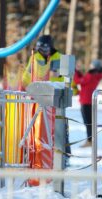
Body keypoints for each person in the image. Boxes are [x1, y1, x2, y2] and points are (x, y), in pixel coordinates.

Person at [21, 35, 69, 186]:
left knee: (58, 130)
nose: (43, 51)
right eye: (40, 48)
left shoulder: (58, 58)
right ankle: (36, 162)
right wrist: (31, 87)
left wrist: (54, 83)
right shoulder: (34, 57)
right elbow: (26, 77)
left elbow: (65, 79)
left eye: (45, 48)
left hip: (54, 99)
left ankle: (62, 158)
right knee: (39, 133)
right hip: (38, 98)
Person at [73, 60, 102, 147]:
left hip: (86, 101)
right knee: (90, 122)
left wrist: (75, 72)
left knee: (88, 122)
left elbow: (78, 81)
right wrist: (78, 72)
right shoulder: (96, 75)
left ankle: (90, 140)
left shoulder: (91, 75)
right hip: (89, 101)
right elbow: (83, 79)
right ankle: (91, 140)